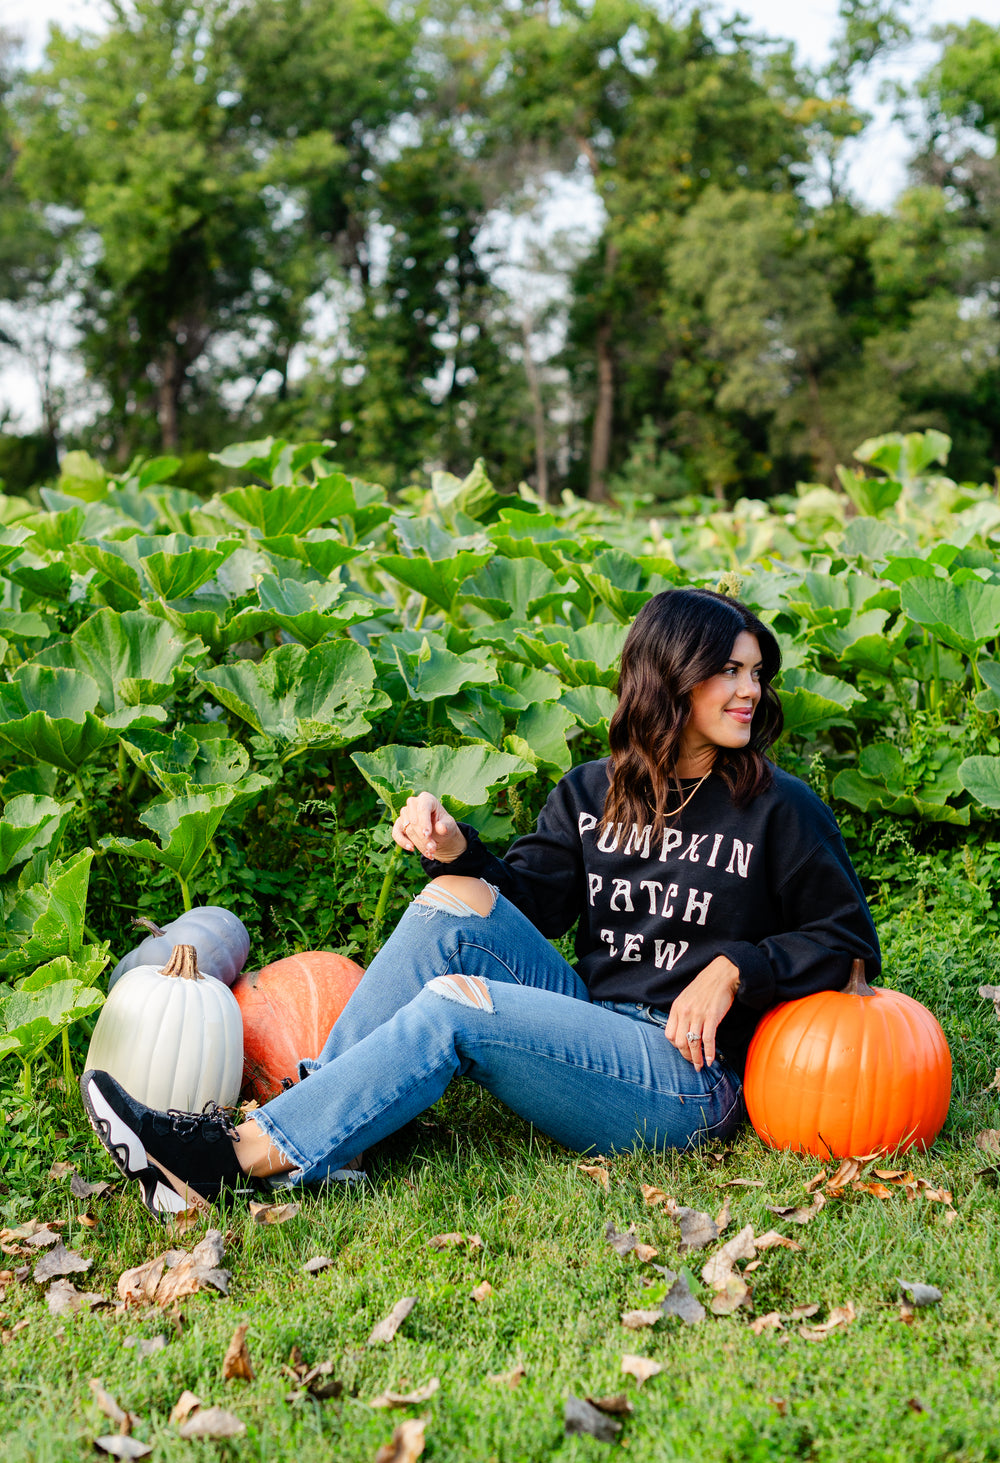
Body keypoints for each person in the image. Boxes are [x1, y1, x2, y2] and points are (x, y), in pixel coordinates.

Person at [80, 588, 880, 1219]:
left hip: (686, 1079)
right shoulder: (595, 792)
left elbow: (848, 942)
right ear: (671, 675)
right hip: (594, 1027)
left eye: (755, 673)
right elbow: (524, 900)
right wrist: (456, 846)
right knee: (451, 899)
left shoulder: (780, 806)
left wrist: (737, 966)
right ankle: (333, 1143)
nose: (750, 690)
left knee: (455, 1007)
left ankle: (237, 1157)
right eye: (729, 671)